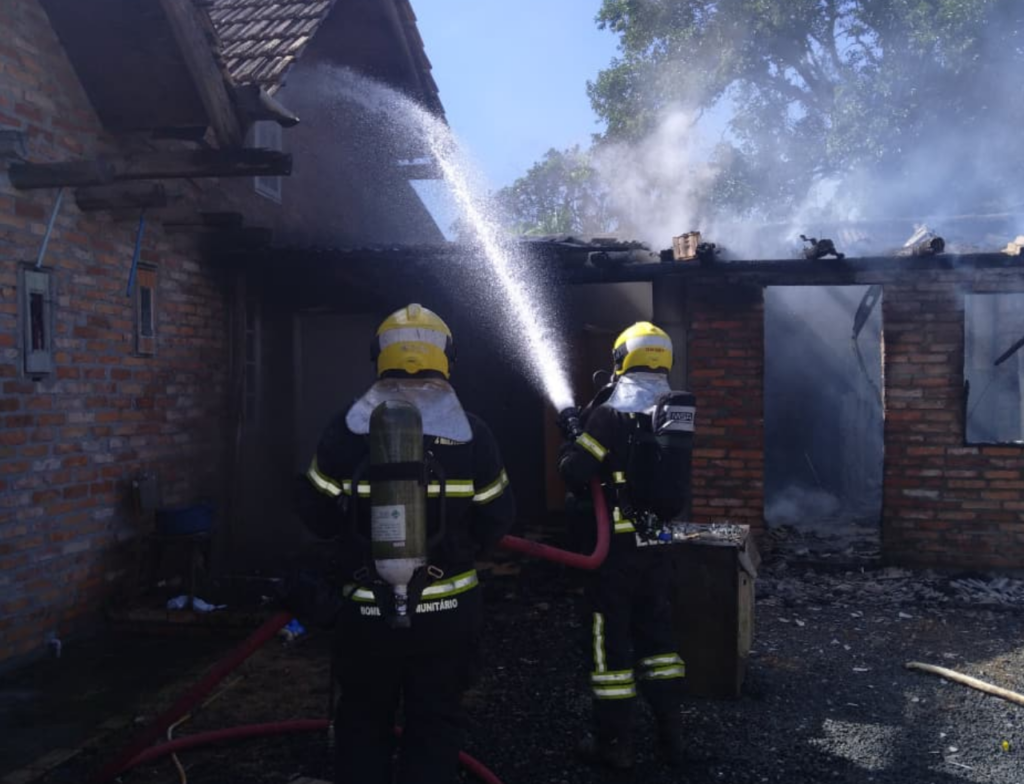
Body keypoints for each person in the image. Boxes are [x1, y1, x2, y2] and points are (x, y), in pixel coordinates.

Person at [293, 303, 516, 784]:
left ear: (380, 356)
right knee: (435, 724)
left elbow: (313, 511)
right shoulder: (473, 433)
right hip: (450, 612)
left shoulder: (346, 428)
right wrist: (457, 550)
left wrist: (349, 539)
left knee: (362, 720)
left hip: (366, 613)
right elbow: (498, 518)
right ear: (446, 358)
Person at [557, 321, 692, 770]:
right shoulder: (673, 408)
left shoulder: (610, 412)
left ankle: (615, 746)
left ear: (620, 360)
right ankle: (673, 738)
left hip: (612, 556)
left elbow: (576, 473)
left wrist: (573, 435)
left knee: (609, 648)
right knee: (659, 642)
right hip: (658, 547)